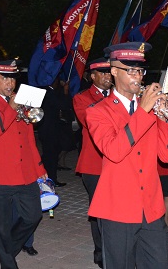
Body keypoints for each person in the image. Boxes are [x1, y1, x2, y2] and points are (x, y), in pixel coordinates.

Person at [86, 42, 168, 269]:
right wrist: (144, 112)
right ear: (114, 71)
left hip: (151, 207)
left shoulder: (149, 108)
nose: (138, 76)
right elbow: (115, 151)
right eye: (132, 70)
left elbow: (167, 157)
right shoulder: (97, 112)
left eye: (141, 71)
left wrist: (164, 118)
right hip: (117, 208)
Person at [0, 61, 47, 269]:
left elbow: (29, 139)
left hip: (25, 173)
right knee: (1, 226)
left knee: (33, 216)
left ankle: (8, 249)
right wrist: (11, 108)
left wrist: (41, 170)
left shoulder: (22, 100)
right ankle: (8, 263)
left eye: (12, 78)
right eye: (4, 77)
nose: (10, 82)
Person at [73, 57, 112, 268]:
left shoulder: (120, 95)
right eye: (103, 73)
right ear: (92, 76)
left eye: (110, 72)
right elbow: (89, 121)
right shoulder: (82, 98)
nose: (108, 76)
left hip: (119, 162)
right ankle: (101, 251)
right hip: (94, 164)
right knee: (99, 211)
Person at [36, 76, 67, 187]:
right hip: (49, 130)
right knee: (51, 157)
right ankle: (51, 180)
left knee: (49, 155)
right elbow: (63, 105)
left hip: (47, 129)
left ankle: (47, 176)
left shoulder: (45, 91)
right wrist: (65, 92)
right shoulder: (49, 93)